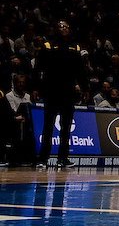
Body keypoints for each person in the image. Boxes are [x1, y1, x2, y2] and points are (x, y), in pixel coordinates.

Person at [34, 20, 86, 169]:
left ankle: (62, 159)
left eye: (66, 27)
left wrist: (85, 88)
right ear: (55, 30)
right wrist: (35, 87)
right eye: (60, 27)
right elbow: (38, 68)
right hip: (51, 91)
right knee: (48, 125)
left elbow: (80, 71)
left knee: (66, 126)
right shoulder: (48, 46)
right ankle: (43, 159)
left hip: (68, 92)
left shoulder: (75, 47)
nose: (64, 29)